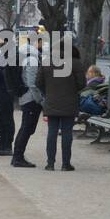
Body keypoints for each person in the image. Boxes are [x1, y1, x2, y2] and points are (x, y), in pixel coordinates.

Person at [37, 43, 85, 171]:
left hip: (51, 101)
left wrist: (48, 92)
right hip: (69, 102)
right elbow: (82, 84)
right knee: (67, 132)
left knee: (52, 132)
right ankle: (65, 163)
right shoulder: (75, 63)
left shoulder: (47, 62)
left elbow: (38, 82)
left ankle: (50, 163)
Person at [10, 38, 44, 168]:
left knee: (25, 128)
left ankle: (17, 156)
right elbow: (32, 83)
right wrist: (40, 100)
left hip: (26, 98)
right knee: (26, 128)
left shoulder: (25, 59)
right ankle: (18, 157)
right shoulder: (32, 60)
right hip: (31, 99)